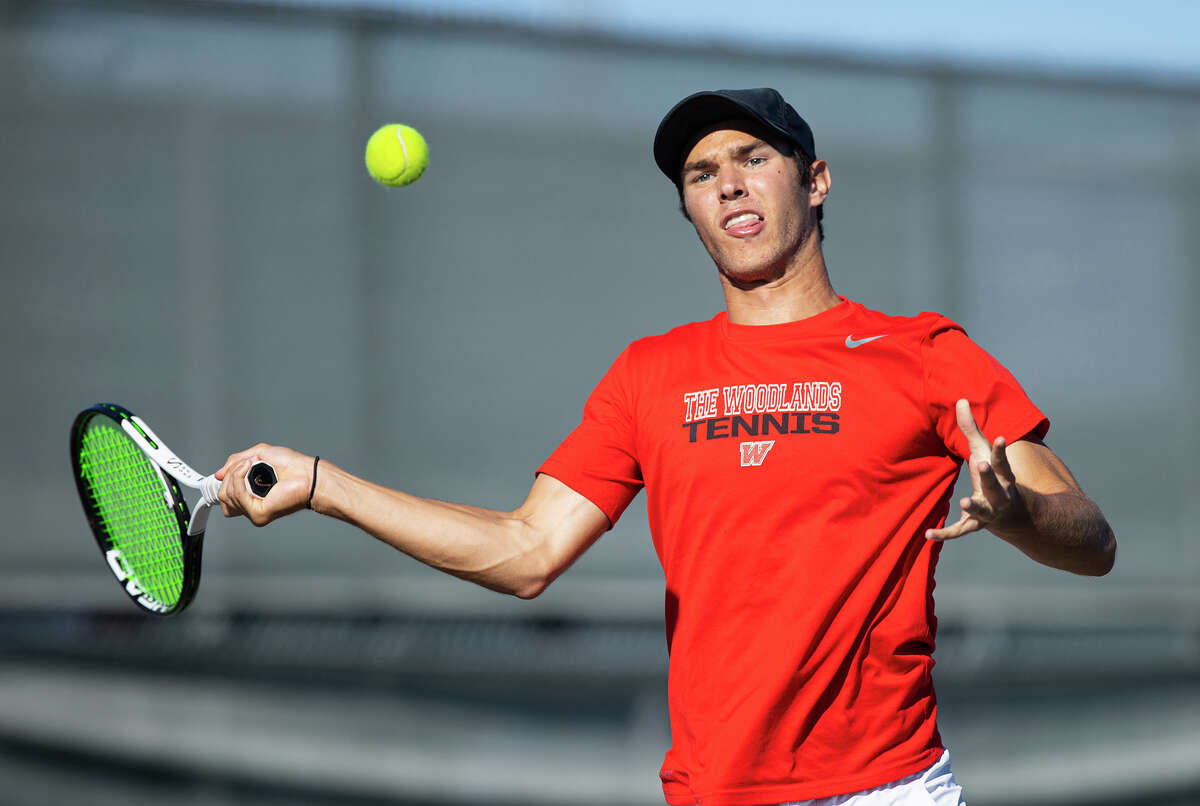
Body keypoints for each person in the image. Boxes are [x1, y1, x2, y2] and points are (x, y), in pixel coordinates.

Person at [215, 88, 1116, 806]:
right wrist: (325, 485)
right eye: (699, 172)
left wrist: (1018, 511)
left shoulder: (923, 353)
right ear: (688, 207)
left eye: (752, 157)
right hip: (713, 794)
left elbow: (1092, 540)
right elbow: (525, 553)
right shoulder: (651, 374)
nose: (726, 182)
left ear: (817, 181)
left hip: (889, 788)